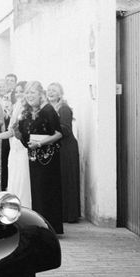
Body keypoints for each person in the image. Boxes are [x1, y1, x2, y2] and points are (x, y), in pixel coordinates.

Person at [17, 81, 64, 234]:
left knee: (48, 190)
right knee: (36, 191)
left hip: (48, 158)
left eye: (33, 93)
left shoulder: (48, 110)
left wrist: (40, 143)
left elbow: (58, 134)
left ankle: (51, 227)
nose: (29, 96)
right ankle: (40, 225)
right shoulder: (26, 111)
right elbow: (24, 134)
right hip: (34, 157)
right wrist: (20, 134)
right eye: (27, 93)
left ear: (40, 94)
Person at [0, 80, 32, 207]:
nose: (18, 94)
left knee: (22, 179)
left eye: (21, 92)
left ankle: (25, 206)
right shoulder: (17, 105)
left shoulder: (28, 109)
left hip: (22, 148)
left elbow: (14, 131)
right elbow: (10, 131)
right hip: (14, 148)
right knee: (14, 178)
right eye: (16, 92)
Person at [47, 82, 81, 223]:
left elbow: (65, 129)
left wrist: (47, 130)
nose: (51, 92)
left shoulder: (64, 108)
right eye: (49, 90)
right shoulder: (51, 108)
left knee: (68, 179)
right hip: (59, 146)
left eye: (54, 90)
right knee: (60, 180)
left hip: (67, 148)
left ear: (60, 93)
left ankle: (70, 214)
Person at [0, 78, 12, 190]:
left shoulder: (11, 100)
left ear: (7, 88)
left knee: (5, 158)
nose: (1, 88)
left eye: (3, 86)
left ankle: (4, 184)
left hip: (7, 131)